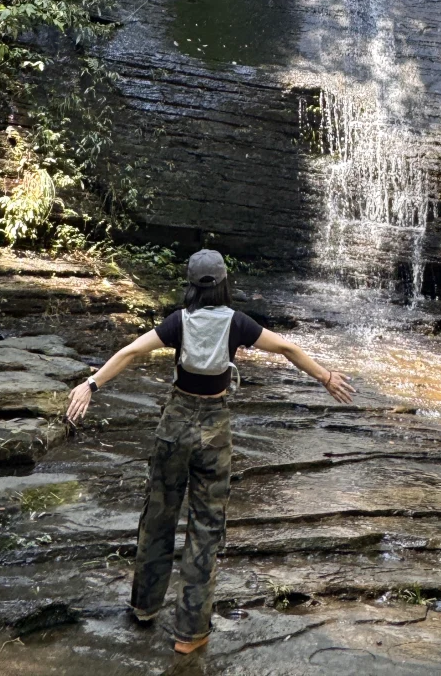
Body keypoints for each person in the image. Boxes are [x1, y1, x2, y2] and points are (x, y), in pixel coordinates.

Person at [65, 248, 354, 656]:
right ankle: (190, 633)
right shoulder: (238, 324)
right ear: (222, 282)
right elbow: (287, 348)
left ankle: (145, 607)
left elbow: (132, 352)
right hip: (213, 431)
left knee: (159, 516)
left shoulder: (177, 323)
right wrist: (325, 377)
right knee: (205, 528)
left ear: (190, 284)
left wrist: (90, 384)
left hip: (174, 423)